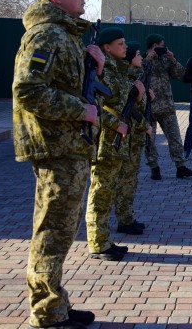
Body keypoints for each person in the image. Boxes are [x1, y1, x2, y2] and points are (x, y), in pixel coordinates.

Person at [12, 0, 100, 328]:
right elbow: (27, 90)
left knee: (61, 231)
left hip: (69, 146)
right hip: (56, 147)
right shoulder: (46, 34)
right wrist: (81, 110)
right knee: (52, 232)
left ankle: (55, 305)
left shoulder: (66, 35)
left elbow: (67, 84)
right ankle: (47, 313)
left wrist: (95, 64)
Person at [85, 27, 143, 261]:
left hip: (118, 142)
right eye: (120, 43)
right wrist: (114, 123)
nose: (125, 47)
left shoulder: (118, 71)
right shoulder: (100, 70)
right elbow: (93, 102)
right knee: (100, 192)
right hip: (105, 140)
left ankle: (105, 239)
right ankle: (97, 243)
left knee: (108, 193)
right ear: (106, 47)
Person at [143, 34, 192, 180]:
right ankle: (154, 167)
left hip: (167, 106)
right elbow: (136, 75)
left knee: (175, 137)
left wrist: (172, 59)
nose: (164, 47)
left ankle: (180, 167)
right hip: (148, 107)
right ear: (154, 45)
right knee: (149, 139)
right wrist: (147, 61)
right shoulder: (142, 60)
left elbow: (180, 73)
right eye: (162, 45)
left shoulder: (165, 60)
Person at [114, 41, 152, 236]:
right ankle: (123, 219)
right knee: (124, 180)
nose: (141, 58)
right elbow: (129, 110)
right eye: (138, 54)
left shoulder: (135, 76)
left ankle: (127, 218)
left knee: (131, 180)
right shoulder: (125, 78)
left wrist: (146, 96)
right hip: (127, 135)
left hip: (134, 137)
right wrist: (145, 125)